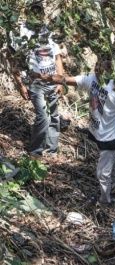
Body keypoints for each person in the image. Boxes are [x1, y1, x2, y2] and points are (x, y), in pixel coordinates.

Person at [32, 57, 115, 212]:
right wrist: (40, 76)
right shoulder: (92, 79)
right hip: (101, 135)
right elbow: (62, 79)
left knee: (103, 174)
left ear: (109, 71)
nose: (97, 70)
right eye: (96, 66)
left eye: (101, 68)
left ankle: (105, 203)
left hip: (111, 138)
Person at [8, 0, 65, 159]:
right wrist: (20, 84)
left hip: (52, 80)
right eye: (32, 11)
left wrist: (60, 81)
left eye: (38, 11)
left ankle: (51, 151)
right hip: (35, 84)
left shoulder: (49, 31)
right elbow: (12, 59)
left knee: (54, 117)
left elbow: (57, 58)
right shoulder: (19, 32)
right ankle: (35, 151)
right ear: (26, 13)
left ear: (43, 13)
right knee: (43, 117)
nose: (36, 14)